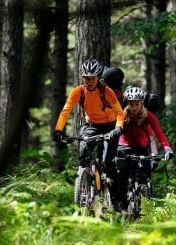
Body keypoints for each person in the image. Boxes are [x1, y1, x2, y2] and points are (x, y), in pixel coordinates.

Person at [53, 59, 124, 205]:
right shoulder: (78, 91)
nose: (89, 81)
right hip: (91, 125)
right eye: (86, 78)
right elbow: (66, 111)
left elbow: (119, 112)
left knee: (107, 162)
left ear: (98, 77)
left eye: (92, 78)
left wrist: (118, 128)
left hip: (110, 126)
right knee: (84, 152)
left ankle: (117, 198)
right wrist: (58, 129)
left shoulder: (106, 91)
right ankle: (85, 181)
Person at [115, 86, 174, 209]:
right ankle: (120, 206)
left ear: (142, 103)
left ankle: (142, 203)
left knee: (142, 175)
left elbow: (159, 133)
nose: (134, 107)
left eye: (137, 104)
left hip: (140, 149)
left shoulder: (148, 116)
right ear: (127, 103)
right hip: (123, 148)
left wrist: (167, 148)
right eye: (131, 104)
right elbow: (117, 129)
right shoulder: (122, 115)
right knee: (121, 178)